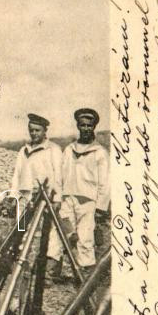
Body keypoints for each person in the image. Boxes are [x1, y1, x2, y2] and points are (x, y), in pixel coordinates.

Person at [54, 108, 110, 275]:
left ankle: (85, 272)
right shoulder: (69, 149)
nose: (86, 128)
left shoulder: (100, 152)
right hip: (67, 198)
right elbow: (60, 175)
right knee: (66, 233)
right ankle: (65, 270)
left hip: (88, 200)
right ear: (78, 126)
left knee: (85, 237)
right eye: (82, 125)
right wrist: (58, 197)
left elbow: (105, 182)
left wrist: (101, 207)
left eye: (89, 125)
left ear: (94, 127)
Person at [4, 113, 63, 211]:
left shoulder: (53, 149)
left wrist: (57, 198)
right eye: (31, 130)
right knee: (21, 221)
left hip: (43, 199)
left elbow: (58, 175)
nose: (34, 133)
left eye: (37, 130)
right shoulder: (23, 150)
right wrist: (13, 195)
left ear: (45, 131)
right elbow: (17, 174)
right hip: (23, 198)